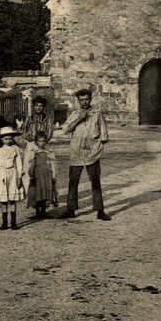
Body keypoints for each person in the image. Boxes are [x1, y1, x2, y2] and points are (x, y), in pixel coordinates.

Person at [61, 86, 111, 221]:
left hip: (92, 153)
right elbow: (65, 130)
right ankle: (71, 209)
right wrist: (79, 119)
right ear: (78, 101)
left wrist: (96, 147)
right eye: (81, 100)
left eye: (86, 99)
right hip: (76, 152)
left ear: (90, 99)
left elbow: (104, 135)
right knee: (73, 182)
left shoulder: (97, 113)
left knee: (95, 182)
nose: (84, 102)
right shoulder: (74, 114)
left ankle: (100, 210)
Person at [0, 126, 24, 230]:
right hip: (1, 174)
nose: (8, 141)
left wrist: (19, 177)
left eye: (10, 138)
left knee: (12, 199)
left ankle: (13, 222)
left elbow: (19, 164)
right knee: (4, 200)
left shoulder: (15, 149)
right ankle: (4, 222)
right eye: (5, 139)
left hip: (12, 174)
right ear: (1, 139)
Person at [27, 131, 58, 219]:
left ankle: (43, 211)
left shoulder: (49, 152)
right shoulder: (34, 152)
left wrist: (54, 175)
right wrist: (30, 173)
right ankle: (37, 211)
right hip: (37, 175)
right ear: (36, 142)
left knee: (46, 192)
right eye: (40, 141)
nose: (42, 143)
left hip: (46, 175)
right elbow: (30, 163)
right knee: (37, 192)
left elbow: (53, 164)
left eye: (43, 141)